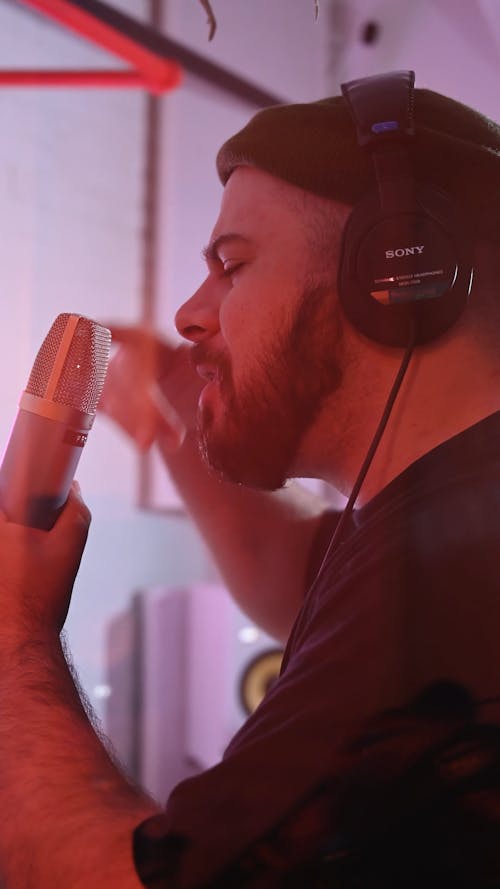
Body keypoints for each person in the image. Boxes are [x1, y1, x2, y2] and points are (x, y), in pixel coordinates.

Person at [0, 71, 498, 889]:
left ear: (394, 269)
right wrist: (170, 386)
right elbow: (288, 574)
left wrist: (15, 632)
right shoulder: (442, 521)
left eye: (232, 264)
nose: (192, 311)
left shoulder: (445, 594)